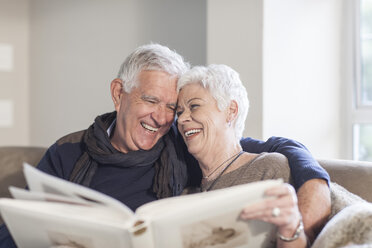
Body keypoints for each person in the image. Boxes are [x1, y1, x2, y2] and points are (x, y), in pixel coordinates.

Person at [0, 44, 330, 247]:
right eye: (151, 100)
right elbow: (13, 232)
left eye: (172, 107)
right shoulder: (68, 154)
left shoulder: (183, 146)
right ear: (118, 94)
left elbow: (254, 147)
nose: (163, 117)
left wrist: (313, 177)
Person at [176, 64, 330, 247]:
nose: (182, 119)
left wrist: (291, 229)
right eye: (179, 112)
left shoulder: (268, 168)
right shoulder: (186, 191)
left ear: (231, 111)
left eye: (194, 106)